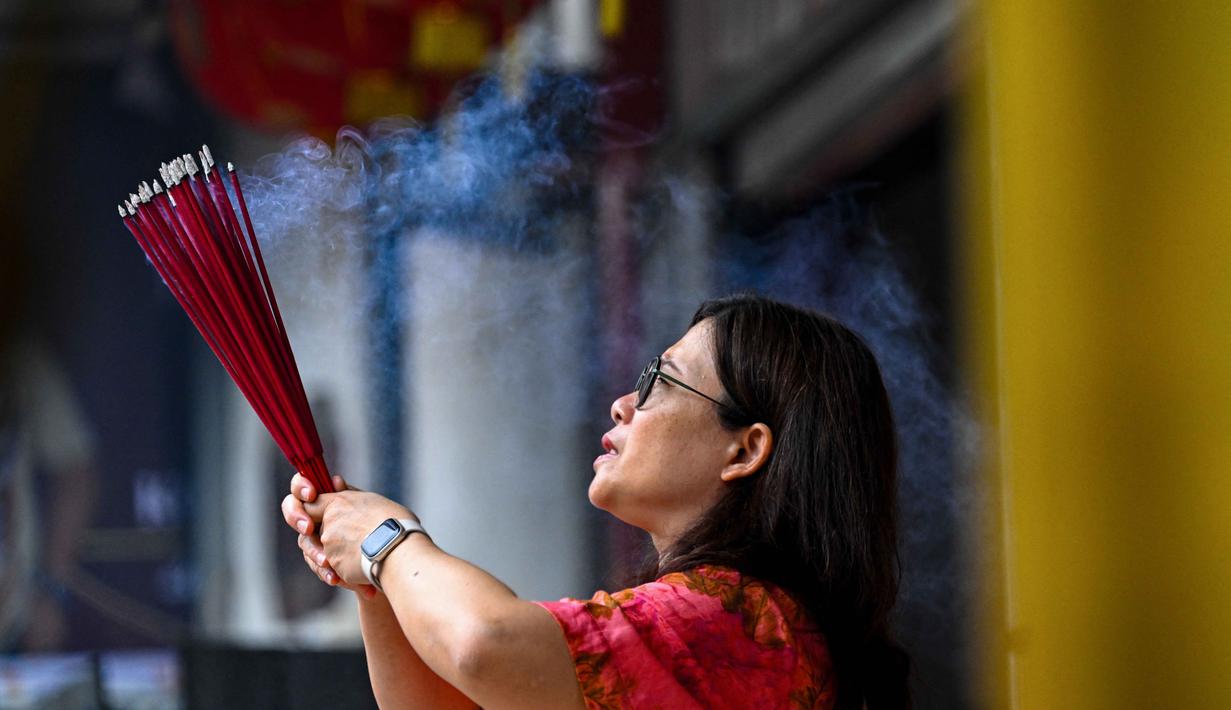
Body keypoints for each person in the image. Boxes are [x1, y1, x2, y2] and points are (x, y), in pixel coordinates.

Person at [281, 294, 909, 709]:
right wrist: (373, 577)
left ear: (744, 450)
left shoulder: (743, 621)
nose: (623, 404)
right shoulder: (749, 620)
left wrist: (387, 539)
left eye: (660, 381)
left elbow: (483, 643)